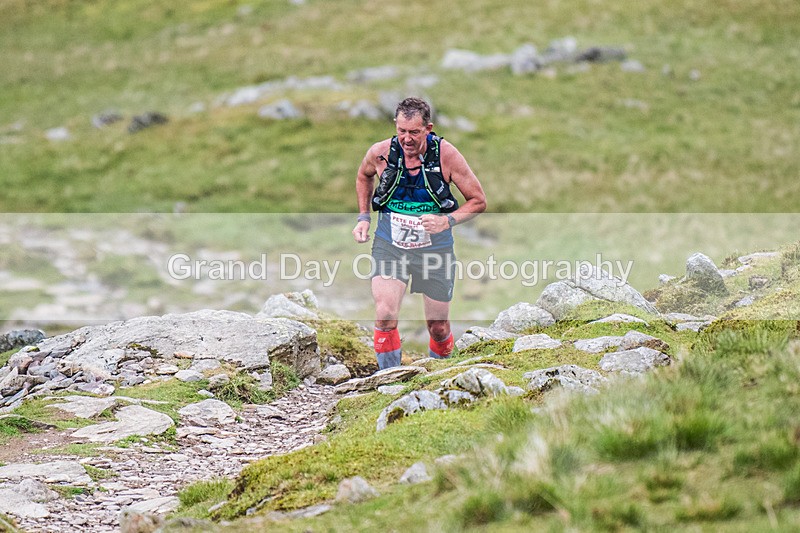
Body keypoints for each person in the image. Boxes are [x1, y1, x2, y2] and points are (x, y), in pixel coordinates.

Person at [352, 97, 486, 369]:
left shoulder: (447, 155)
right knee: (385, 313)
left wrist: (446, 221)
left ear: (428, 128)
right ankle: (388, 381)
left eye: (414, 132)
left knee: (437, 326)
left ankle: (441, 376)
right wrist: (364, 217)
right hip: (390, 244)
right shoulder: (381, 153)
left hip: (434, 249)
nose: (407, 139)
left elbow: (478, 201)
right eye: (401, 131)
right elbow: (363, 176)